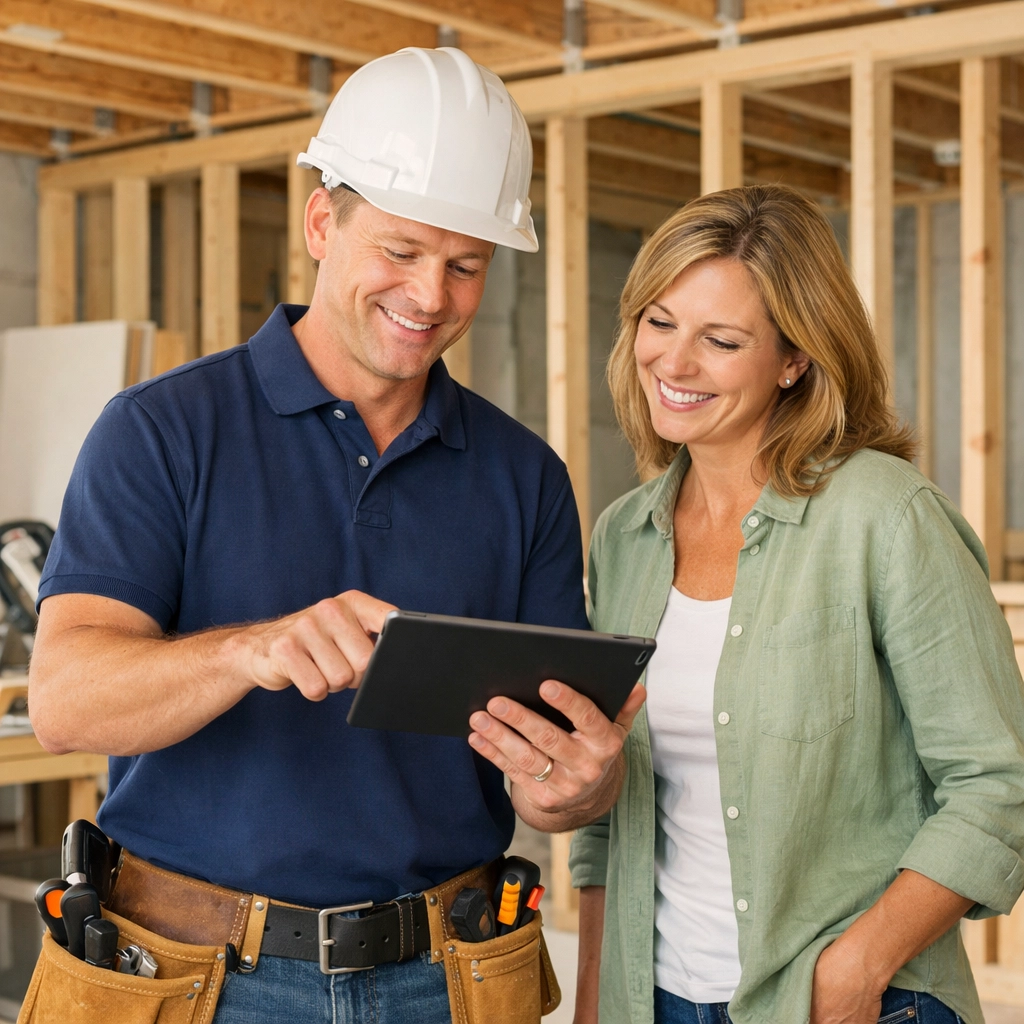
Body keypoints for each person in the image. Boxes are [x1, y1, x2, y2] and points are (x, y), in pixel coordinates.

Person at [27, 47, 641, 1024]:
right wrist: (251, 650)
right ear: (323, 221)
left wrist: (579, 785)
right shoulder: (163, 431)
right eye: (400, 250)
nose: (430, 294)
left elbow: (549, 790)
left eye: (464, 263)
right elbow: (64, 702)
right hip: (195, 979)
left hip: (446, 979)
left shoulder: (524, 477)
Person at [569, 184, 1024, 1024]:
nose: (674, 362)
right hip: (656, 998)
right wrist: (597, 994)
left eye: (722, 339)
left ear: (794, 359)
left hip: (855, 1003)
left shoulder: (884, 517)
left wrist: (859, 966)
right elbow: (611, 813)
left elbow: (999, 783)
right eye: (659, 322)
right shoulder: (623, 536)